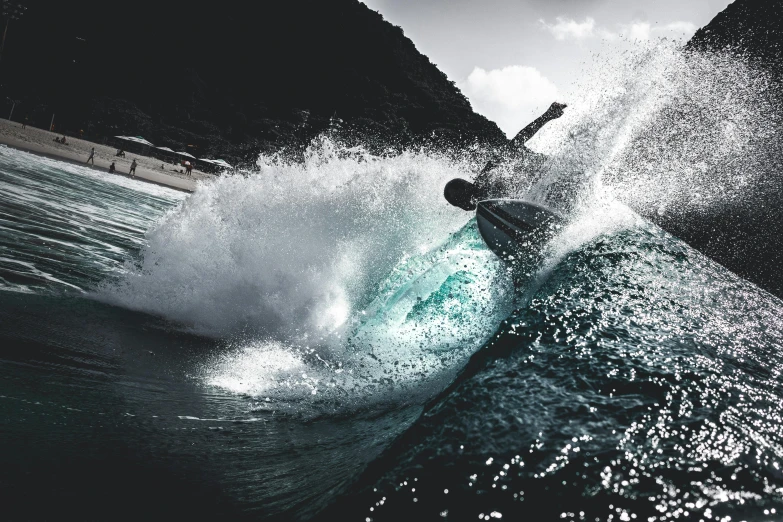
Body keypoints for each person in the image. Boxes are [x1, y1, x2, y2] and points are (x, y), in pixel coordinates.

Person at [444, 102, 567, 211]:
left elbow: (517, 141)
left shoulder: (488, 174)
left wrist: (547, 116)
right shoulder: (485, 208)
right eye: (456, 204)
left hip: (550, 175)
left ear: (467, 188)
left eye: (459, 199)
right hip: (542, 192)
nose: (461, 206)